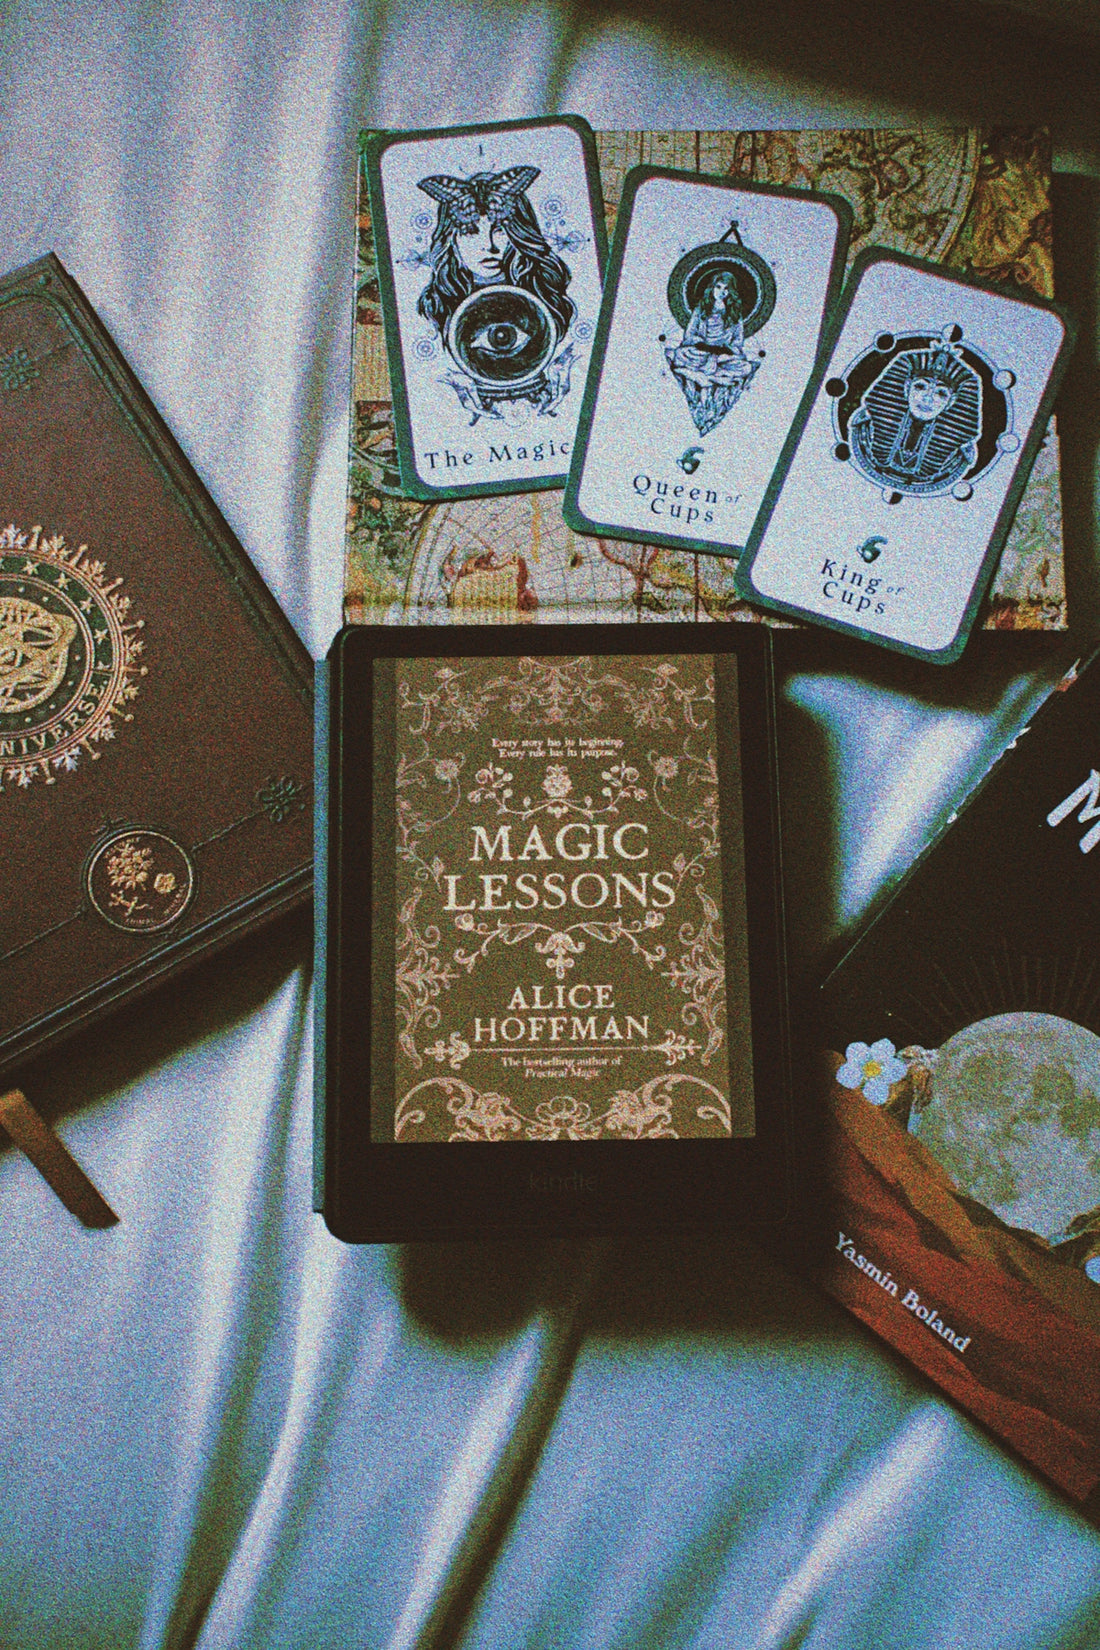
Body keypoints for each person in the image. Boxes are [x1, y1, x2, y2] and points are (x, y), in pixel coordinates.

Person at [666, 270, 759, 437]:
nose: (722, 292)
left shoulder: (734, 313)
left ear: (731, 292)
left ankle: (702, 375)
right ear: (712, 288)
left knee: (745, 367)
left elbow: (737, 342)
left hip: (722, 356)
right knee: (681, 354)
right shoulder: (701, 309)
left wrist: (724, 351)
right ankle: (702, 374)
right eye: (718, 287)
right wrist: (703, 346)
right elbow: (690, 334)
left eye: (726, 289)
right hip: (700, 352)